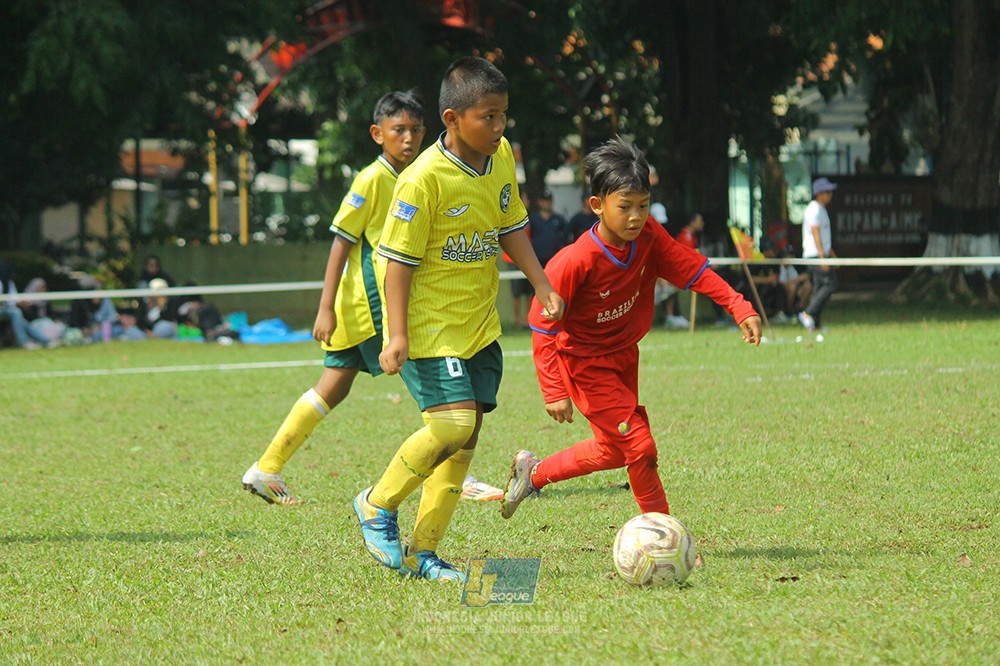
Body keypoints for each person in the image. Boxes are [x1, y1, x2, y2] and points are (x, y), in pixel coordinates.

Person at [354, 56, 564, 582]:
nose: (498, 128)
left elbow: (509, 223)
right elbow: (397, 262)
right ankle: (377, 504)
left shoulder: (500, 157)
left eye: (503, 116)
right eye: (487, 117)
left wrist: (541, 283)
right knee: (452, 424)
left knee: (464, 439)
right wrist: (396, 333)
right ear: (451, 119)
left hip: (478, 324)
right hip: (429, 325)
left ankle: (422, 553)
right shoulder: (422, 180)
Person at [498, 137, 761, 522]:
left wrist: (738, 305)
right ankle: (663, 533)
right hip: (585, 364)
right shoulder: (575, 262)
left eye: (643, 205)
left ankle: (533, 474)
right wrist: (554, 389)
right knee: (640, 446)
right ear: (597, 206)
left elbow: (693, 269)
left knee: (613, 451)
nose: (636, 216)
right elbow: (542, 326)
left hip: (623, 357)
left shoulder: (650, 237)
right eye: (625, 207)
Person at [241, 90, 427, 505]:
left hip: (363, 307)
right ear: (378, 134)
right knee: (432, 386)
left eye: (416, 130)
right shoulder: (372, 178)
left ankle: (266, 468)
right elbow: (341, 244)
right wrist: (324, 308)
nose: (409, 138)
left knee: (333, 388)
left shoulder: (411, 177)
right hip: (371, 307)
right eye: (399, 130)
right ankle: (452, 475)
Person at [799, 177, 838, 331]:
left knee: (819, 287)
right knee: (830, 284)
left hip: (821, 253)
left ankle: (814, 323)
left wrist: (831, 253)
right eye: (827, 192)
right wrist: (823, 256)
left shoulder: (822, 209)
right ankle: (808, 313)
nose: (830, 195)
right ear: (820, 193)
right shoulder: (814, 209)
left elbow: (824, 235)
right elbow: (815, 233)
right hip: (815, 255)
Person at [0, 262, 56, 349]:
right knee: (15, 313)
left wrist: (22, 303)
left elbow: (13, 298)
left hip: (5, 309)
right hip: (5, 309)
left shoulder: (8, 282)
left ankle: (46, 341)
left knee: (20, 319)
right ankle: (25, 342)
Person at [505, 188, 534, 327]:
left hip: (526, 258)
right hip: (512, 259)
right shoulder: (511, 215)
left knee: (529, 289)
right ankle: (517, 318)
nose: (526, 201)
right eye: (524, 198)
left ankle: (528, 318)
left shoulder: (529, 217)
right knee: (516, 290)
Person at [527, 188, 570, 268]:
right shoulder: (532, 219)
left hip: (555, 258)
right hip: (537, 259)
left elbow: (565, 238)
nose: (547, 203)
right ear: (539, 202)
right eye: (544, 201)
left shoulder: (559, 219)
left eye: (549, 200)